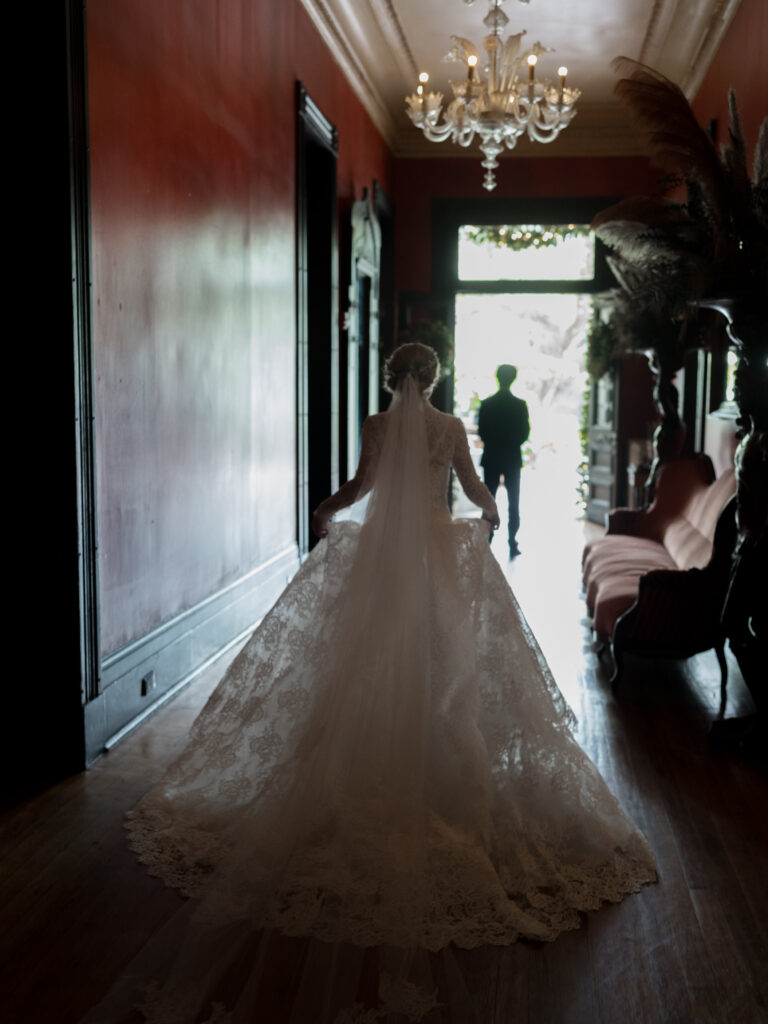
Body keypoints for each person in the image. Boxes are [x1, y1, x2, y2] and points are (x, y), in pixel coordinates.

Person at [101, 343, 654, 1023]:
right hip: (434, 553)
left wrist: (323, 512)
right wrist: (491, 517)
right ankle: (429, 759)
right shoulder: (449, 427)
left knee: (362, 661)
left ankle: (370, 758)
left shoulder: (375, 424)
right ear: (436, 379)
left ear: (393, 380)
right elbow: (475, 488)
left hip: (381, 564)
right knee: (442, 664)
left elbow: (361, 487)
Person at [477, 364, 530, 557]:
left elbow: (482, 431)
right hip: (512, 458)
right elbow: (525, 433)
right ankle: (512, 542)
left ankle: (486, 541)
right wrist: (511, 443)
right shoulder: (520, 405)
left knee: (488, 500)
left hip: (491, 456)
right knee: (513, 502)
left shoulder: (487, 404)